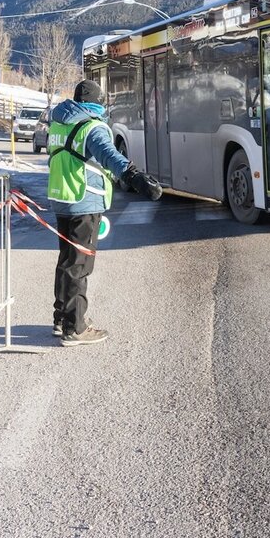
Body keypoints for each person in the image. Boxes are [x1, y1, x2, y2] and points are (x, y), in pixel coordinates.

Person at [46, 79, 162, 347]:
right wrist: (136, 177)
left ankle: (61, 318)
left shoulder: (58, 122)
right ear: (97, 103)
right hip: (84, 201)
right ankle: (75, 327)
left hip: (61, 199)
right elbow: (110, 155)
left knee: (66, 261)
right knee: (79, 266)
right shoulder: (92, 127)